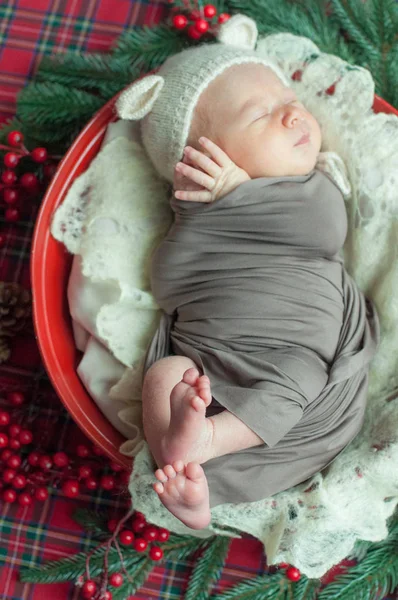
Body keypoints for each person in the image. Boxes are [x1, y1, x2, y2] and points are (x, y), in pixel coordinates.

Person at [115, 18, 379, 531]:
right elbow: (172, 287)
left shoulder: (312, 190)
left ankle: (207, 454)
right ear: (197, 161)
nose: (293, 114)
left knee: (297, 381)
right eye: (262, 114)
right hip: (210, 358)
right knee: (164, 375)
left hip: (297, 358)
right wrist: (223, 206)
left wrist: (245, 196)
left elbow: (327, 229)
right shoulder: (192, 221)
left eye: (287, 97)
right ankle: (181, 460)